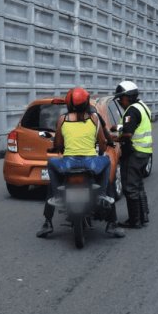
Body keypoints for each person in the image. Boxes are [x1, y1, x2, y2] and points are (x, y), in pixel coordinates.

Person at [36, 88, 124, 239]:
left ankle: (49, 220)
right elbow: (102, 145)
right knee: (107, 161)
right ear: (86, 103)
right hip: (91, 163)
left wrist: (60, 147)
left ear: (69, 104)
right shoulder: (95, 118)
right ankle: (107, 211)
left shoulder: (62, 119)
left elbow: (58, 144)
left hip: (68, 164)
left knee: (51, 163)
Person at [112, 81, 153, 228]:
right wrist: (118, 127)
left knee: (130, 187)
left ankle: (135, 220)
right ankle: (144, 215)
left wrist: (115, 138)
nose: (119, 101)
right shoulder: (142, 106)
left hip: (134, 153)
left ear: (127, 97)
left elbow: (128, 134)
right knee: (138, 185)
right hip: (145, 152)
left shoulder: (131, 111)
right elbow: (134, 125)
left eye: (120, 98)